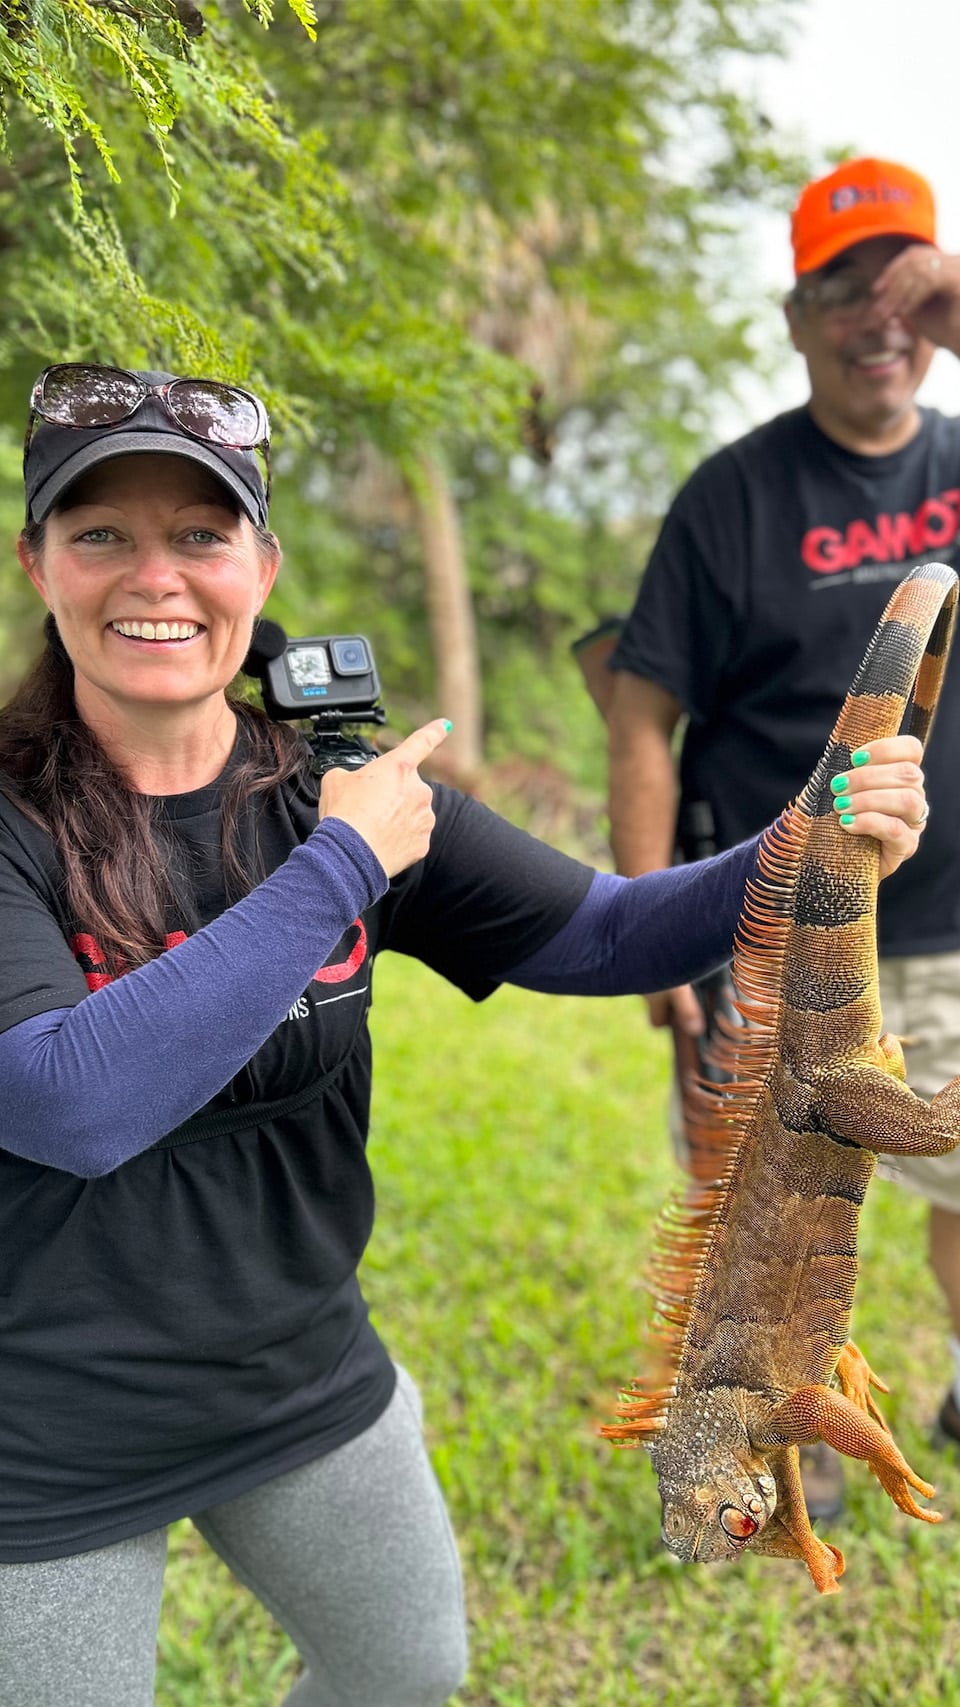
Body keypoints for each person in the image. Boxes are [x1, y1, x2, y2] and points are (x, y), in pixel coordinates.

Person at [0, 361, 925, 1707]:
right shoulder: (26, 826)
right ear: (40, 565)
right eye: (103, 536)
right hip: (49, 1433)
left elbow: (611, 935)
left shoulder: (334, 789)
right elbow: (64, 1103)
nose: (157, 577)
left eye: (199, 534)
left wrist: (809, 836)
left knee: (404, 1672)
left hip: (301, 1382)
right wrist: (335, 873)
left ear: (261, 563)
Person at [605, 156, 960, 1518]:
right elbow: (643, 718)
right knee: (763, 1236)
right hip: (772, 941)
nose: (880, 316)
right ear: (793, 314)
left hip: (954, 917)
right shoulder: (733, 497)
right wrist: (651, 933)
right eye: (845, 290)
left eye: (910, 286)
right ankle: (751, 1460)